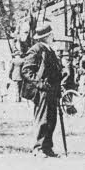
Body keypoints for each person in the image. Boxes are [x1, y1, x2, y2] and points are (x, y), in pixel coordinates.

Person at [20, 22, 64, 157]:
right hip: (43, 91)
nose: (53, 36)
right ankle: (38, 148)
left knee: (51, 119)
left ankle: (47, 147)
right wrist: (39, 84)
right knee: (43, 120)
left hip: (52, 90)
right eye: (51, 34)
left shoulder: (49, 50)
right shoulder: (36, 49)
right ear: (47, 36)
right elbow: (27, 70)